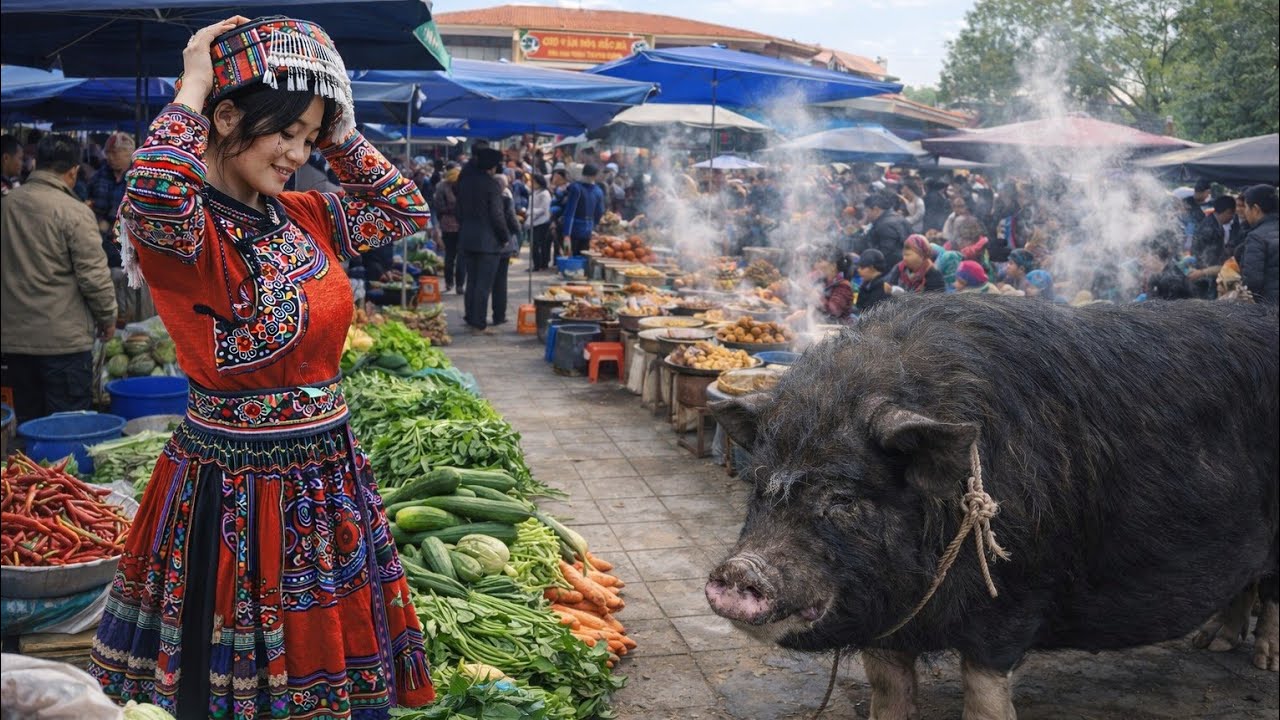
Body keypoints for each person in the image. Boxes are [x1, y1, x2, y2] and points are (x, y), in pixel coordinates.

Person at [86, 17, 435, 716]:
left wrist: (335, 130)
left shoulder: (302, 214)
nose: (297, 153)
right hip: (235, 491)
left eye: (308, 138)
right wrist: (194, 80)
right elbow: (154, 187)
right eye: (287, 133)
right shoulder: (182, 232)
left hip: (325, 479)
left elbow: (403, 210)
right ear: (224, 116)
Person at [0, 133, 117, 422]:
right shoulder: (74, 212)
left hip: (15, 342)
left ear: (36, 162)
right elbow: (94, 276)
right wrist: (108, 318)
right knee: (68, 428)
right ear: (73, 171)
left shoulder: (6, 205)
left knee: (31, 426)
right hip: (63, 344)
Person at [457, 146, 509, 332]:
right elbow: (497, 215)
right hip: (488, 241)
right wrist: (504, 237)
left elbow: (459, 212)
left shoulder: (464, 182)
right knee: (483, 284)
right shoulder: (492, 185)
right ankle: (479, 320)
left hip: (467, 237)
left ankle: (470, 315)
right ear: (492, 166)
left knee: (471, 280)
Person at [1188, 195, 1238, 298]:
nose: (1232, 218)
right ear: (1228, 211)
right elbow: (1209, 257)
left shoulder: (1213, 223)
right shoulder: (1211, 229)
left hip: (1205, 272)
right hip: (1205, 275)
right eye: (1232, 214)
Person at [1237, 184, 1278, 304]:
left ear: (1255, 209)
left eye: (1245, 207)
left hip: (1270, 309)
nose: (1245, 212)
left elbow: (1252, 281)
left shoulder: (1256, 237)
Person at [492, 173, 521, 326]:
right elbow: (511, 220)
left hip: (487, 246)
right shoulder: (505, 199)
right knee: (500, 282)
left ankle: (477, 317)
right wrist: (517, 232)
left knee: (483, 282)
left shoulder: (484, 198)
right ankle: (499, 315)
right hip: (503, 245)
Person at [433, 164, 464, 293]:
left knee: (451, 256)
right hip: (458, 226)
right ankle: (457, 284)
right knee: (458, 256)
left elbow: (438, 207)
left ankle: (451, 283)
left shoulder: (441, 187)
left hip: (449, 226)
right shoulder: (462, 186)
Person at [858, 192, 911, 268]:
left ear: (876, 209)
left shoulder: (885, 225)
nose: (866, 214)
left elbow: (886, 253)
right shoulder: (894, 216)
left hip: (894, 267)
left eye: (867, 211)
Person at [561, 164, 605, 256]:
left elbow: (570, 211)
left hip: (574, 229)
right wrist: (594, 227)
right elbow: (599, 212)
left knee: (570, 256)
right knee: (584, 257)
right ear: (595, 176)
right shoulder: (598, 191)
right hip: (588, 229)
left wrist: (566, 233)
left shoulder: (576, 188)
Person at [812, 250, 854, 322]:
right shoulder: (823, 282)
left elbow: (834, 311)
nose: (816, 265)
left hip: (839, 329)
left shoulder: (843, 286)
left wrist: (817, 297)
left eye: (820, 261)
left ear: (833, 266)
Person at [527, 174, 553, 271]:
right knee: (534, 245)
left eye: (534, 181)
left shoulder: (545, 193)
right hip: (533, 221)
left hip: (542, 222)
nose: (532, 183)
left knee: (540, 245)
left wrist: (530, 212)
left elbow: (543, 209)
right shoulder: (534, 192)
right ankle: (536, 264)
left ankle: (542, 264)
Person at [854, 248, 891, 314]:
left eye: (862, 267)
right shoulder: (866, 284)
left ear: (872, 268)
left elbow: (868, 310)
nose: (858, 270)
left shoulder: (882, 287)